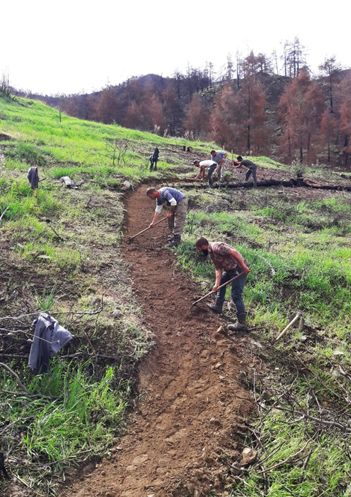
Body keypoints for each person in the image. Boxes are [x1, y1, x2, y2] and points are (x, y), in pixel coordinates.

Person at [195, 237, 250, 331]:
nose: (201, 251)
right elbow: (218, 269)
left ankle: (241, 323)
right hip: (229, 269)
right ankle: (218, 306)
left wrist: (243, 266)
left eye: (200, 249)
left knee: (236, 295)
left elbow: (234, 252)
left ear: (204, 245)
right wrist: (216, 284)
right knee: (221, 282)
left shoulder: (217, 247)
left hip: (239, 269)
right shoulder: (211, 253)